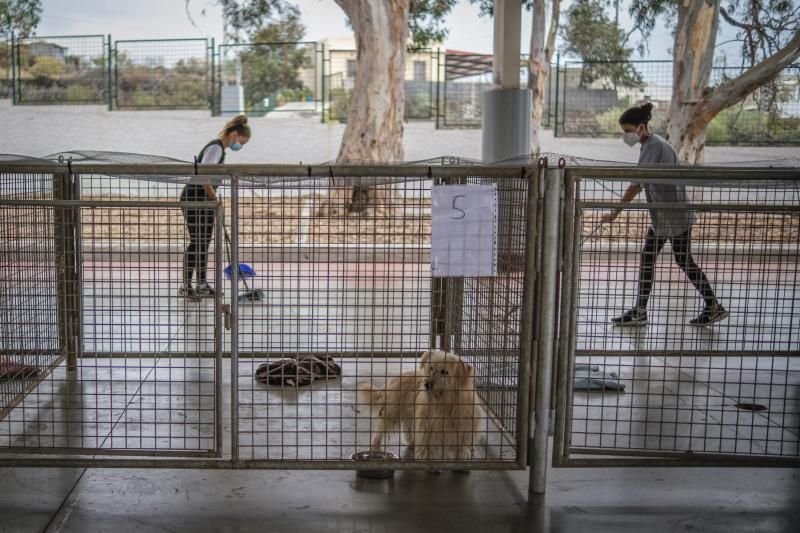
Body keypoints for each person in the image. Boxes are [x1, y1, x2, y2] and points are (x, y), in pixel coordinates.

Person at [603, 102, 728, 327]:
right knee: (652, 258)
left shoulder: (654, 146)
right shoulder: (650, 144)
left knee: (682, 261)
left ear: (641, 127)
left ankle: (713, 305)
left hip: (675, 216)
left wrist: (615, 212)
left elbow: (636, 184)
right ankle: (641, 310)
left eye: (628, 131)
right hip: (664, 217)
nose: (626, 136)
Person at [179, 115, 250, 299]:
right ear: (234, 134)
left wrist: (213, 200)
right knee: (197, 242)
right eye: (241, 142)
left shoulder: (220, 150)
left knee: (204, 242)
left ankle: (201, 284)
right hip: (195, 198)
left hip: (203, 200)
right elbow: (204, 176)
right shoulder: (215, 148)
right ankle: (186, 286)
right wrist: (214, 199)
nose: (240, 147)